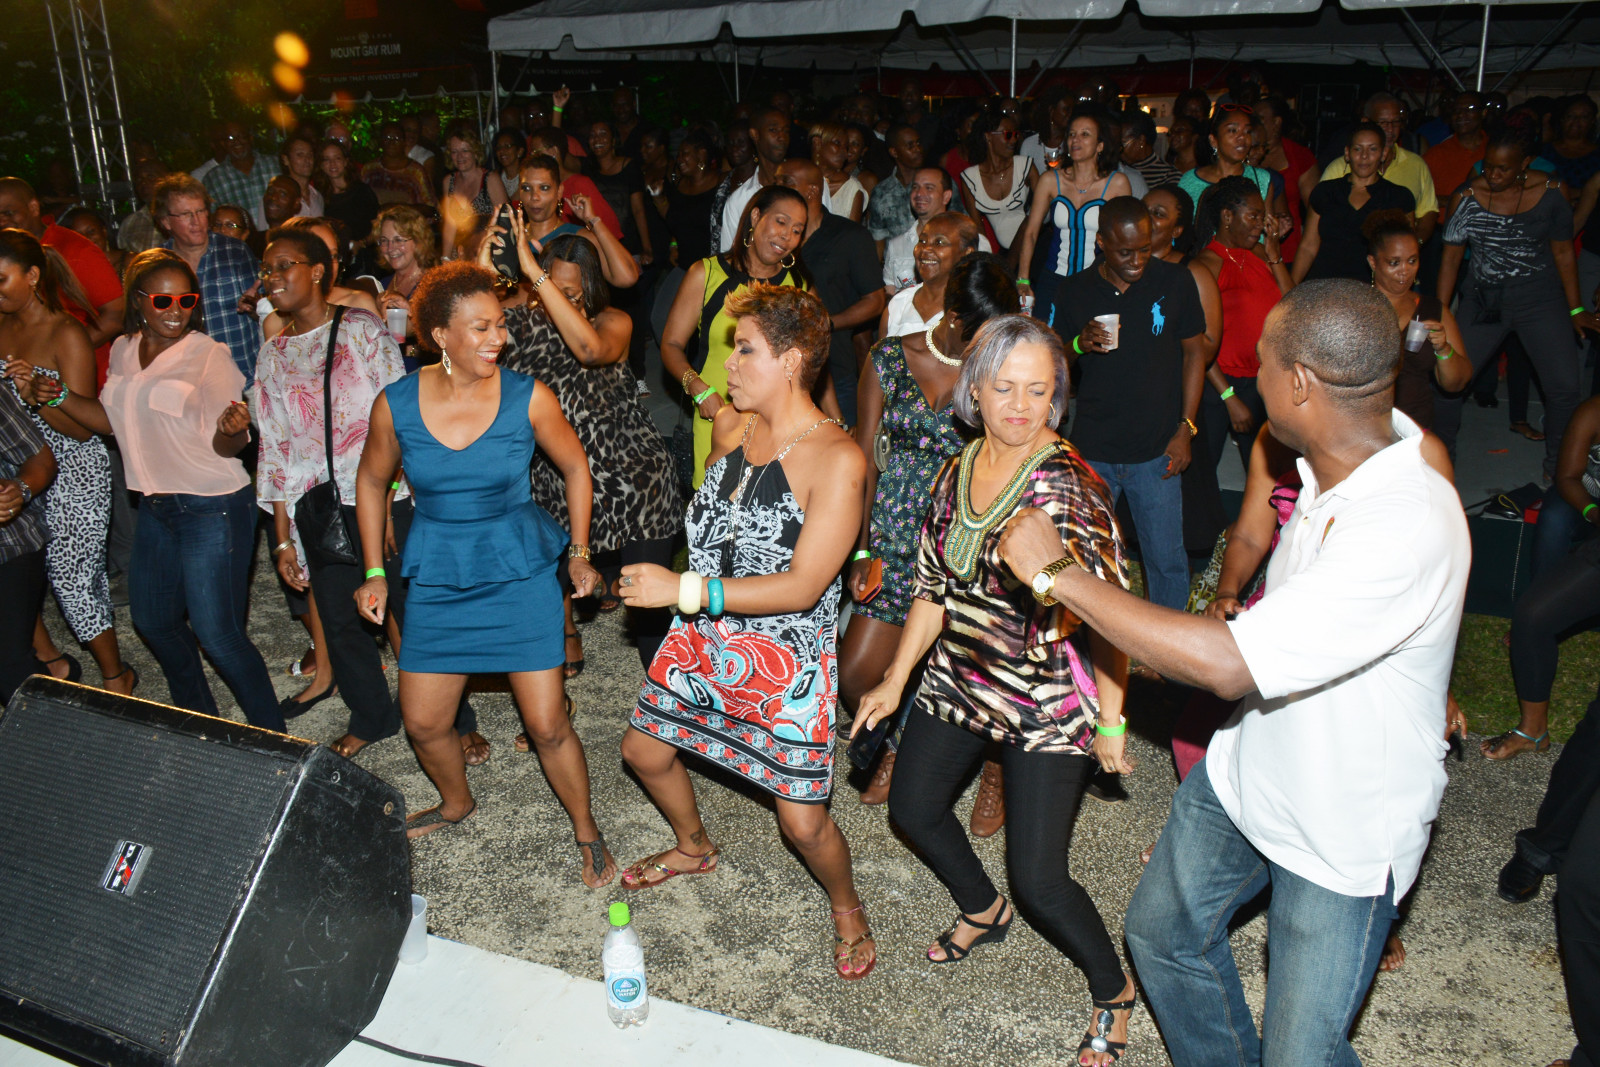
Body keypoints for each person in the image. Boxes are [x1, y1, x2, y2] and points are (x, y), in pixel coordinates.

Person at [998, 279, 1469, 1067]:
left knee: (1301, 1054)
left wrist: (1061, 575)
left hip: (1342, 830)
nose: (1248, 374)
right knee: (1163, 935)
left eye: (1262, 360)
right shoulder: (1338, 457)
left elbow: (1226, 663)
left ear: (1300, 384)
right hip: (1248, 771)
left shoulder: (1402, 520)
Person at [852, 314, 1136, 1064]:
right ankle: (983, 907)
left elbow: (1111, 616)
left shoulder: (1069, 488)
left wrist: (1111, 719)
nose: (1020, 405)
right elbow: (932, 587)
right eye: (1005, 387)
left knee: (1041, 880)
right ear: (973, 389)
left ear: (1057, 396)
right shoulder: (958, 467)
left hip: (1045, 696)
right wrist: (894, 679)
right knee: (913, 808)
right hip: (960, 675)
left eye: (1038, 390)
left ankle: (1114, 989)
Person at [616, 283, 877, 982]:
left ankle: (847, 907)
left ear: (791, 361)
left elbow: (804, 585)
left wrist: (684, 589)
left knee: (803, 825)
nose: (727, 363)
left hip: (786, 660)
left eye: (745, 349)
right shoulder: (732, 428)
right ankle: (694, 845)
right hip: (703, 638)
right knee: (642, 751)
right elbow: (715, 531)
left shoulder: (838, 457)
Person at [352, 260, 608, 863]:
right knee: (423, 722)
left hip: (518, 571)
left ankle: (587, 829)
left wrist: (579, 552)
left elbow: (576, 467)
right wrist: (373, 572)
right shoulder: (396, 404)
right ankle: (455, 802)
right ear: (440, 335)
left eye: (500, 324)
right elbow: (370, 480)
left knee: (547, 725)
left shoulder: (527, 397)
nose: (500, 338)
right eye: (482, 327)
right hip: (441, 573)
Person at [10, 249, 282, 728]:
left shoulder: (208, 355)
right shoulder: (122, 349)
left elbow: (226, 446)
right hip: (154, 507)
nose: (176, 310)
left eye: (186, 300)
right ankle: (201, 723)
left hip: (213, 506)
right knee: (153, 621)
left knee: (219, 637)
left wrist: (234, 429)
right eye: (162, 300)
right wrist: (58, 395)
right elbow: (110, 423)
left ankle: (274, 738)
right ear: (138, 300)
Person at [843, 255, 1018, 809]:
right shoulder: (890, 358)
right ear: (954, 316)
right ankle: (899, 739)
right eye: (983, 330)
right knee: (856, 677)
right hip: (894, 541)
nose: (992, 343)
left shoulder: (997, 374)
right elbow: (864, 461)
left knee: (980, 674)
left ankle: (993, 768)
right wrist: (862, 549)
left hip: (965, 543)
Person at [490, 217, 681, 677]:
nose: (562, 300)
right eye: (552, 288)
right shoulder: (524, 326)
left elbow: (590, 350)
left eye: (573, 293)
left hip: (634, 475)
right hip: (558, 477)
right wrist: (486, 266)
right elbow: (466, 324)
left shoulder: (614, 321)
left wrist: (538, 279)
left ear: (592, 288)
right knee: (547, 586)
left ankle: (669, 696)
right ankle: (563, 643)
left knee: (647, 605)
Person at [1047, 196, 1207, 612]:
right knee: (1086, 557)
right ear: (1101, 243)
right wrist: (1079, 343)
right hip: (1094, 450)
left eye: (1144, 249)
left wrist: (1186, 429)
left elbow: (1195, 354)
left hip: (1157, 451)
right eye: (1125, 252)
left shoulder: (1175, 281)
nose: (1137, 261)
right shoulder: (1075, 289)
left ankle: (1167, 648)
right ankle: (1093, 639)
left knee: (1166, 562)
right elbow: (1053, 365)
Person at [0, 229, 133, 695]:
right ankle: (51, 663)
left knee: (73, 581)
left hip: (74, 469)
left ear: (33, 276)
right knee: (17, 569)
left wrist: (34, 396)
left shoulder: (66, 333)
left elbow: (83, 429)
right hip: (17, 464)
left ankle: (116, 676)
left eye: (1, 279)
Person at [1434, 124, 1600, 477]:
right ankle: (1440, 464)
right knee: (1449, 382)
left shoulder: (1552, 191)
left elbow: (1563, 252)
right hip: (1483, 301)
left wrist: (1575, 308)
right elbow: (1450, 259)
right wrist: (1439, 311)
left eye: (1503, 169)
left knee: (1564, 388)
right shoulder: (1466, 197)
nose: (1492, 175)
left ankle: (1560, 470)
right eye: (1488, 166)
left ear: (1525, 164)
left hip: (1540, 300)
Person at [663, 185, 809, 487]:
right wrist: (698, 389)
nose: (787, 236)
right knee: (714, 504)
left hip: (776, 422)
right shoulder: (707, 273)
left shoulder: (798, 286)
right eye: (781, 222)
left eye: (797, 230)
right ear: (755, 217)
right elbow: (671, 344)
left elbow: (808, 360)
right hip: (717, 415)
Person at [1484, 394, 1600, 768]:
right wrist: (1593, 513)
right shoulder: (1594, 411)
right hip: (1592, 507)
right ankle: (1534, 731)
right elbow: (1567, 476)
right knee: (1532, 616)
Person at [775, 160, 884, 427]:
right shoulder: (774, 239)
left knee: (841, 443)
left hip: (834, 366)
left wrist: (826, 323)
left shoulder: (850, 236)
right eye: (775, 182)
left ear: (812, 191)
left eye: (786, 182)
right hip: (779, 371)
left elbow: (875, 301)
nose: (776, 188)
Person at [1194, 176, 1291, 472]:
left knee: (1263, 471)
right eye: (1253, 216)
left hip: (1260, 379)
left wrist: (1275, 256)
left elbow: (1293, 306)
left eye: (1263, 218)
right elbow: (1196, 340)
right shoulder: (1207, 264)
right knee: (1203, 472)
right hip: (1219, 384)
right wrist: (1229, 397)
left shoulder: (1260, 254)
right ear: (1227, 217)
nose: (1260, 225)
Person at [1016, 111, 1132, 312]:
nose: (1075, 139)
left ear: (1100, 145)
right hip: (1053, 279)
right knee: (1047, 331)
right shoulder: (1050, 180)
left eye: (1085, 134)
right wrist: (1023, 279)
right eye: (1071, 134)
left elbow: (1126, 239)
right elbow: (1031, 232)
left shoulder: (1117, 183)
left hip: (1098, 281)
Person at [1364, 212, 1471, 428]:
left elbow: (1456, 384)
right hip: (1362, 425)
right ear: (1373, 262)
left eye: (1412, 261)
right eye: (1394, 262)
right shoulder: (1354, 306)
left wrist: (1443, 349)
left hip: (1415, 424)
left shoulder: (1432, 309)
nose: (1405, 271)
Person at [0, 177, 125, 360]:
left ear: (33, 207)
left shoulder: (75, 249)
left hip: (75, 369)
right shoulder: (5, 251)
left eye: (8, 213)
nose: (2, 221)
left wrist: (60, 355)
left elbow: (115, 316)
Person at [154, 174, 261, 381]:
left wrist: (257, 308)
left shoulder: (235, 252)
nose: (196, 222)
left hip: (243, 379)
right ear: (166, 221)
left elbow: (268, 315)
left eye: (201, 211)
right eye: (186, 214)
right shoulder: (158, 265)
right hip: (188, 384)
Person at [1292, 122, 1417, 284]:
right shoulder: (1325, 192)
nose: (1364, 156)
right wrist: (1290, 289)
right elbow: (1308, 246)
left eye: (1372, 149)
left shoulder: (1399, 197)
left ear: (1384, 154)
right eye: (1357, 149)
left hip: (1372, 289)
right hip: (1323, 285)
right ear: (1347, 153)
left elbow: (1406, 251)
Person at [1320, 92, 1440, 243]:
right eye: (1383, 122)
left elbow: (1428, 211)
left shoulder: (1416, 164)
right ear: (1365, 122)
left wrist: (1414, 244)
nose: (1390, 129)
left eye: (1395, 122)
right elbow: (1320, 216)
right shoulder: (1340, 167)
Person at [0, 384, 56, 703]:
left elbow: (39, 458)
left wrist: (18, 491)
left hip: (8, 544)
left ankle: (54, 732)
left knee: (10, 667)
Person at [1179, 108, 1289, 238]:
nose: (1242, 137)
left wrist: (1276, 232)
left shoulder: (1262, 179)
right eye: (1233, 130)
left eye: (1247, 131)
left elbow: (1267, 236)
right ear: (1213, 140)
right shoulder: (1190, 181)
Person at [881, 210, 980, 338]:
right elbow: (882, 351)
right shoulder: (899, 304)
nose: (926, 249)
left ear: (967, 253)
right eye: (922, 241)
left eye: (939, 242)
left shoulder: (975, 309)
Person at [959, 109, 1034, 256]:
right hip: (1003, 254)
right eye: (1008, 135)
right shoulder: (970, 178)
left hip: (1035, 245)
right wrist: (990, 260)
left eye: (1016, 135)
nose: (1013, 140)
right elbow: (978, 228)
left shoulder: (1025, 165)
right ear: (988, 136)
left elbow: (1043, 210)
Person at [1251, 96, 1318, 261]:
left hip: (1287, 243)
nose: (1253, 123)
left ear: (1276, 122)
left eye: (1259, 119)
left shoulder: (1299, 156)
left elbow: (1314, 208)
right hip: (1251, 241)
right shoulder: (1245, 154)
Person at [718, 108, 791, 254]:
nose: (781, 137)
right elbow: (730, 256)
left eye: (786, 131)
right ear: (755, 135)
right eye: (773, 130)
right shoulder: (739, 200)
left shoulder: (808, 184)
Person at [585, 120, 654, 265]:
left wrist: (647, 247)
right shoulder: (588, 171)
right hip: (600, 247)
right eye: (592, 135)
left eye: (603, 134)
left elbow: (638, 209)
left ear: (613, 140)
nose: (597, 139)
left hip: (628, 246)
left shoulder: (629, 166)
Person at [373, 204, 439, 348]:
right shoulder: (380, 285)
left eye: (398, 240)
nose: (390, 248)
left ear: (418, 241)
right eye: (384, 241)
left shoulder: (434, 284)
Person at [440, 131, 508, 259]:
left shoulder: (490, 179)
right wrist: (445, 257)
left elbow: (505, 221)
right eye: (454, 152)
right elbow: (449, 225)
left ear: (475, 152)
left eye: (465, 150)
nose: (459, 156)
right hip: (460, 252)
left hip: (487, 250)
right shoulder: (448, 181)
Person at [662, 131, 720, 266]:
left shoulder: (721, 182)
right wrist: (673, 245)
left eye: (685, 154)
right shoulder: (680, 185)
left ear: (701, 154)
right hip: (685, 263)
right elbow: (676, 221)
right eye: (678, 155)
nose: (679, 159)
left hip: (712, 265)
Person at [865, 125, 925, 255]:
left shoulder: (937, 184)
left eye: (918, 143)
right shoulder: (881, 193)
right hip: (896, 264)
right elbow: (878, 241)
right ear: (894, 152)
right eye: (910, 146)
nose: (918, 149)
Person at [1426, 91, 1490, 213]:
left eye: (1469, 109)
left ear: (1483, 113)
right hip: (1444, 223)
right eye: (1456, 110)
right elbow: (1418, 195)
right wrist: (1455, 200)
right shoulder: (1436, 154)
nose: (1460, 115)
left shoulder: (1495, 151)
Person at [202, 123, 280, 221]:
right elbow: (211, 217)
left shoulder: (274, 164)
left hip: (279, 230)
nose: (237, 142)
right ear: (223, 144)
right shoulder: (214, 179)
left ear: (250, 138)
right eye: (230, 138)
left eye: (242, 136)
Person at [317, 139, 380, 246]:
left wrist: (360, 244)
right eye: (327, 159)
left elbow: (378, 224)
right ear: (321, 165)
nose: (332, 164)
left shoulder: (362, 191)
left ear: (345, 161)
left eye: (337, 158)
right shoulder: (319, 195)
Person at [362, 123, 434, 208]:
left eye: (396, 138)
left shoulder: (416, 172)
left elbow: (429, 206)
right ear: (380, 141)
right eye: (387, 138)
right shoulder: (369, 169)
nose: (391, 142)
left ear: (404, 142)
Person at [810, 122, 864, 222]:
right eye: (837, 143)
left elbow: (852, 230)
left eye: (846, 147)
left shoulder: (851, 188)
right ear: (817, 142)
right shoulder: (799, 179)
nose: (844, 152)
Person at [1543, 94, 1600, 191]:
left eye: (1584, 117)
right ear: (1562, 118)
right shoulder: (1544, 151)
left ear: (1592, 121)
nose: (1576, 121)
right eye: (1570, 116)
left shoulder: (1597, 155)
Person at [1119, 109, 1180, 191]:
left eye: (1122, 143)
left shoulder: (1168, 175)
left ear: (1141, 140)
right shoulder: (1118, 169)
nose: (1118, 148)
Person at [272, 135, 325, 229]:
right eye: (300, 155)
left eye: (310, 155)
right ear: (286, 159)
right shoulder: (275, 198)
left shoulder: (317, 197)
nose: (307, 159)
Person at [60, 207, 126, 280]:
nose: (86, 239)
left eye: (91, 232)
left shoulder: (129, 262)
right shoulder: (72, 273)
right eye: (79, 236)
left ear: (104, 231)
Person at [492, 130, 526, 204]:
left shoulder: (527, 176)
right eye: (498, 148)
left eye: (507, 146)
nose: (502, 151)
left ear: (520, 151)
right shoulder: (494, 177)